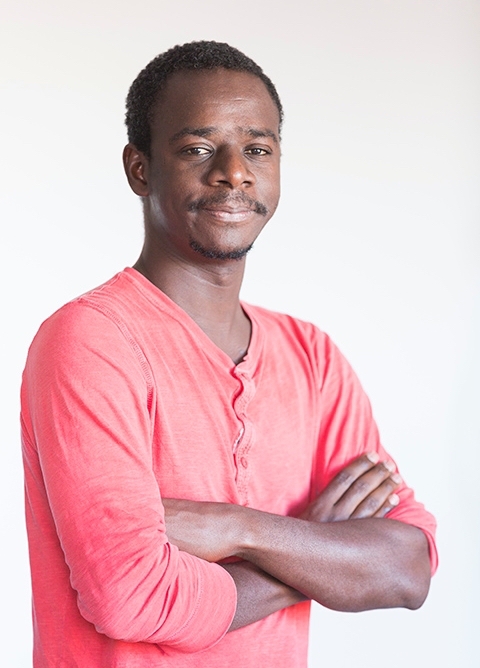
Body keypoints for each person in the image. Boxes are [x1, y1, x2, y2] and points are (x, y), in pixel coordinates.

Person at [21, 41, 437, 668]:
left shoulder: (312, 357)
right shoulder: (93, 340)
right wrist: (317, 548)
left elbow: (407, 568)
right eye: (198, 148)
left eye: (258, 149)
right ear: (140, 169)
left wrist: (237, 527)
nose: (234, 172)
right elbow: (132, 598)